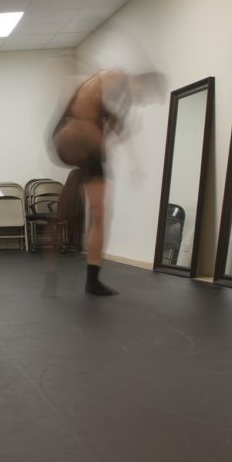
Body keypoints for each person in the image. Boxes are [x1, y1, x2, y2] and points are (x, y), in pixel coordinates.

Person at [50, 68, 164, 295]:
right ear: (139, 82)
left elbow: (115, 127)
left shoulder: (118, 102)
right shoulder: (112, 77)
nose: (141, 101)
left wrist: (134, 160)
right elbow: (84, 104)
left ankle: (93, 279)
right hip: (70, 134)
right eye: (144, 95)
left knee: (100, 213)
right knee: (83, 137)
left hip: (91, 153)